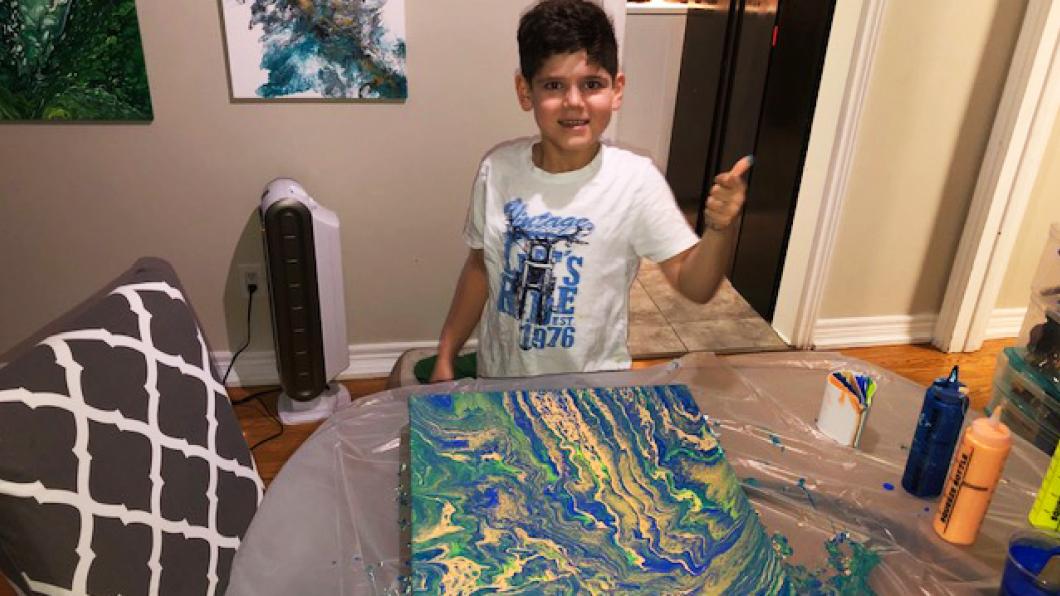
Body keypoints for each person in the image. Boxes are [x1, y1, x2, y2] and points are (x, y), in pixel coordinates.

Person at [430, 0, 750, 381]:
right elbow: (480, 267)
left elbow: (695, 286)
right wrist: (447, 352)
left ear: (617, 90)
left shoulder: (635, 182)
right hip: (500, 381)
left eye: (592, 84)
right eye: (553, 85)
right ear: (524, 91)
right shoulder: (497, 170)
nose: (574, 102)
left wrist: (719, 229)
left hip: (594, 388)